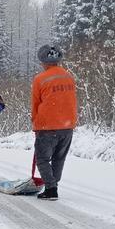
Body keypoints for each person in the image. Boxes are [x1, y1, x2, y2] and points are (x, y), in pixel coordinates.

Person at [30, 45, 77, 201]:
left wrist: (35, 123)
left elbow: (36, 103)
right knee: (59, 158)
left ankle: (51, 189)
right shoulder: (69, 77)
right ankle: (53, 184)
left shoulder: (40, 79)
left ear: (43, 61)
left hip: (47, 125)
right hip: (68, 125)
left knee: (42, 159)